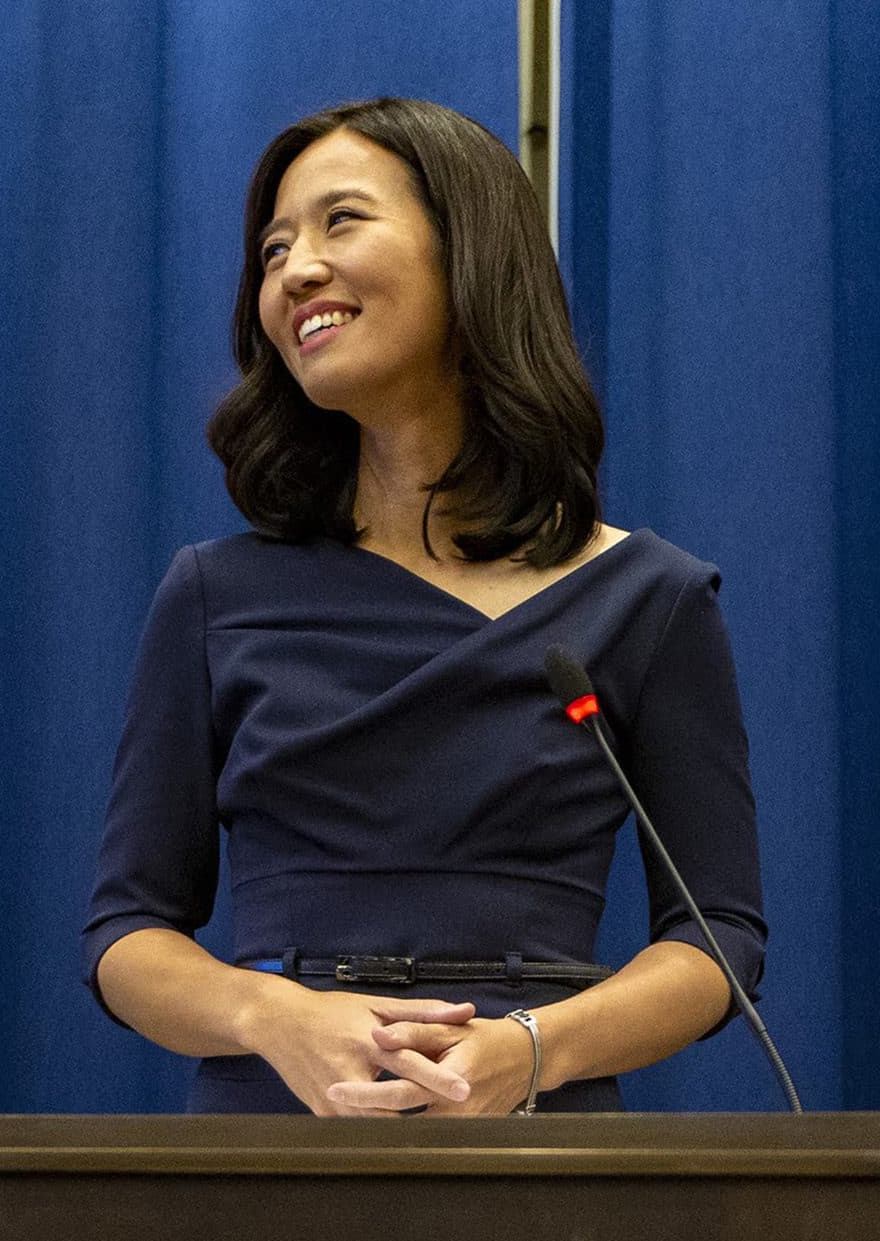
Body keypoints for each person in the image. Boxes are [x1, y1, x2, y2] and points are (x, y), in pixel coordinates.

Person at [83, 98, 765, 1115]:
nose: (295, 270)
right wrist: (270, 1016)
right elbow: (126, 936)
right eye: (272, 250)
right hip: (272, 1134)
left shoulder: (648, 601)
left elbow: (718, 940)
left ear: (470, 252)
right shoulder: (212, 596)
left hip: (538, 1139)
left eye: (339, 221)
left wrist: (533, 1051)